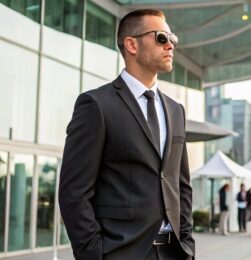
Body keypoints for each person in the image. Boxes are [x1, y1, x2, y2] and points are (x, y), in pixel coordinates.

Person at [58, 9, 194, 260]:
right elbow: (73, 192)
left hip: (173, 253)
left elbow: (181, 186)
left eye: (172, 38)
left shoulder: (176, 111)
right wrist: (95, 254)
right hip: (120, 253)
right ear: (131, 44)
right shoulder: (96, 105)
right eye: (162, 38)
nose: (171, 45)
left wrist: (187, 244)